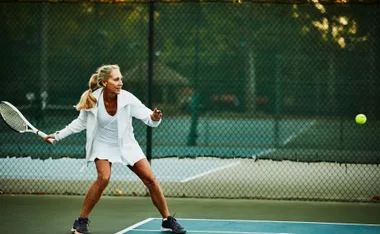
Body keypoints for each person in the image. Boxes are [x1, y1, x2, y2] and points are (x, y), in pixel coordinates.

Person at [44, 64, 186, 234]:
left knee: (151, 180)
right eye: (116, 79)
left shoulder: (128, 98)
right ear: (104, 82)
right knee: (103, 178)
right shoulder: (92, 99)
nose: (120, 83)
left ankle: (167, 220)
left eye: (121, 79)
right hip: (102, 144)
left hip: (126, 144)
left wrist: (154, 117)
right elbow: (80, 123)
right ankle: (80, 222)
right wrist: (57, 135)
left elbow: (148, 116)